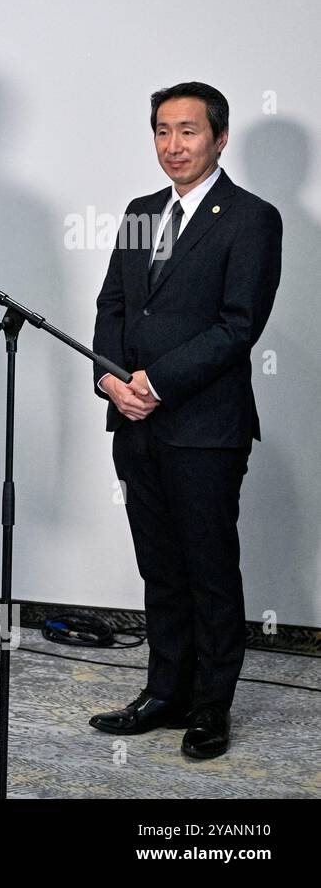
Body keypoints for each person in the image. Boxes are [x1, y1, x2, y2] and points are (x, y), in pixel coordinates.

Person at [90, 82, 282, 759]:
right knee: (160, 568)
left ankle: (210, 707)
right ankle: (163, 693)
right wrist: (111, 378)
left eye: (189, 132)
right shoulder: (142, 211)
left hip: (205, 428)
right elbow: (112, 307)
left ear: (220, 138)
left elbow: (237, 327)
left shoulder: (251, 218)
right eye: (163, 131)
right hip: (134, 424)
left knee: (208, 570)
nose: (174, 145)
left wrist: (157, 383)